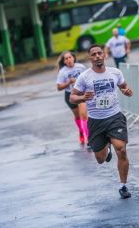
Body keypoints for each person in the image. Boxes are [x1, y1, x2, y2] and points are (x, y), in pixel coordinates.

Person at [70, 44, 133, 199]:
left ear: (104, 55)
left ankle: (123, 186)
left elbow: (124, 86)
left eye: (99, 53)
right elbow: (72, 97)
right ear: (90, 58)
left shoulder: (115, 72)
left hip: (114, 117)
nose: (97, 56)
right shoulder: (85, 77)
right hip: (96, 121)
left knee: (122, 150)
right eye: (94, 54)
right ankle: (107, 147)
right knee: (100, 159)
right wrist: (83, 97)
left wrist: (127, 91)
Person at [56, 51, 89, 145]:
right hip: (70, 95)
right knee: (78, 116)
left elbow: (87, 79)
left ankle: (89, 139)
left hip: (80, 94)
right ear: (64, 62)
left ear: (73, 58)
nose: (69, 60)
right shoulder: (63, 72)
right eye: (66, 59)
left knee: (84, 115)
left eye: (70, 57)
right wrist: (69, 82)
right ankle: (81, 131)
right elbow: (58, 87)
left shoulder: (81, 67)